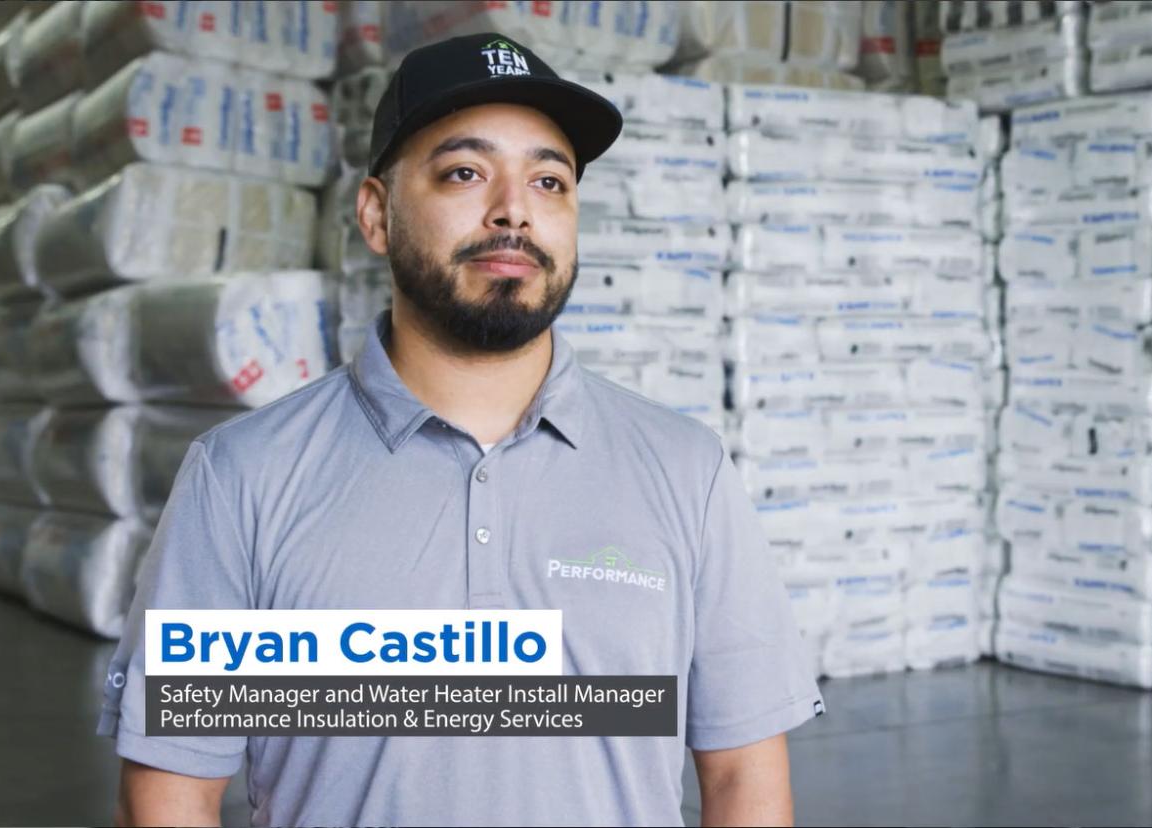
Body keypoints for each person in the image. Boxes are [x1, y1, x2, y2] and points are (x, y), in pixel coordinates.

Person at [99, 32, 823, 827]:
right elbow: (171, 793)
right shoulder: (241, 478)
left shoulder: (687, 472)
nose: (514, 209)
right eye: (465, 173)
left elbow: (743, 781)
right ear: (376, 215)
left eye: (549, 180)